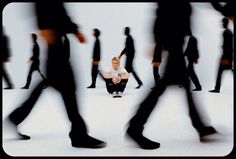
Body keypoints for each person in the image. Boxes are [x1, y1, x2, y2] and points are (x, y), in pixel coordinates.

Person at [7, 2, 106, 148]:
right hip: (54, 39)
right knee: (68, 87)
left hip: (58, 38)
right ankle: (78, 135)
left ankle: (14, 118)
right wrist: (44, 27)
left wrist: (75, 30)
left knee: (54, 84)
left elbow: (60, 10)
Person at [125, 2, 217, 150]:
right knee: (166, 85)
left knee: (176, 84)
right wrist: (157, 41)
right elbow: (162, 9)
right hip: (173, 37)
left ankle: (200, 127)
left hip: (176, 38)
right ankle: (135, 127)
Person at [209, 17, 233, 93]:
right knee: (227, 69)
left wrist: (225, 57)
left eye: (222, 22)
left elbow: (227, 46)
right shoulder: (230, 32)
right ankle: (217, 89)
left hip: (226, 55)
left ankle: (217, 89)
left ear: (225, 23)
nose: (221, 24)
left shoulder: (226, 32)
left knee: (220, 71)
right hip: (228, 55)